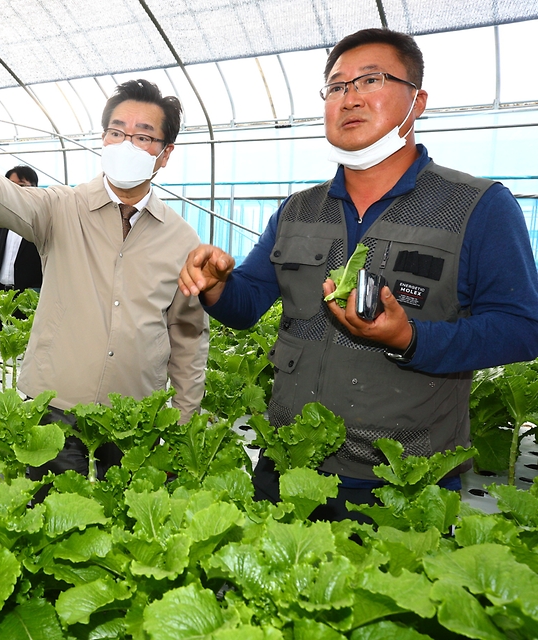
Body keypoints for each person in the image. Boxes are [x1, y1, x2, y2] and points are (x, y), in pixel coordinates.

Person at [179, 28, 538, 521]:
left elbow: (522, 328)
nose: (349, 98)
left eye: (370, 80)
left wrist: (411, 338)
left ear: (418, 101)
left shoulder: (477, 206)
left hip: (403, 482)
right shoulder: (298, 209)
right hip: (289, 464)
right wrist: (218, 284)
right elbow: (247, 304)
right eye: (336, 86)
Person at [0, 79, 209, 483]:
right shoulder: (63, 207)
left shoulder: (182, 238)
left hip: (135, 415)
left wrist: (182, 422)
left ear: (165, 155)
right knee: (53, 517)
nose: (126, 145)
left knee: (127, 525)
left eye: (143, 137)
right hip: (57, 405)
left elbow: (187, 336)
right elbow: (15, 202)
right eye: (117, 132)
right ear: (103, 139)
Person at [0, 166, 43, 292]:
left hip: (29, 295)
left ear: (35, 188)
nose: (16, 190)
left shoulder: (42, 222)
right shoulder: (4, 220)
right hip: (1, 291)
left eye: (22, 185)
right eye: (11, 186)